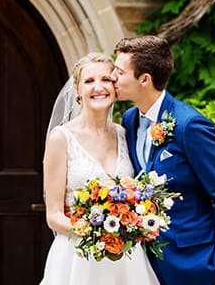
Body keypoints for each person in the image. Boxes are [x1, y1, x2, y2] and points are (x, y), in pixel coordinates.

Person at [111, 36, 215, 285]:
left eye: (119, 71)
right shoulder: (129, 119)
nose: (112, 77)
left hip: (194, 261)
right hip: (145, 262)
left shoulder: (190, 125)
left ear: (144, 79)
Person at [40, 52, 160, 285]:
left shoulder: (125, 134)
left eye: (106, 79)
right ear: (77, 89)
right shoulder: (61, 138)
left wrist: (130, 225)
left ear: (115, 86)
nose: (99, 87)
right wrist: (96, 231)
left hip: (125, 258)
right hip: (78, 256)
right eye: (89, 81)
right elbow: (53, 215)